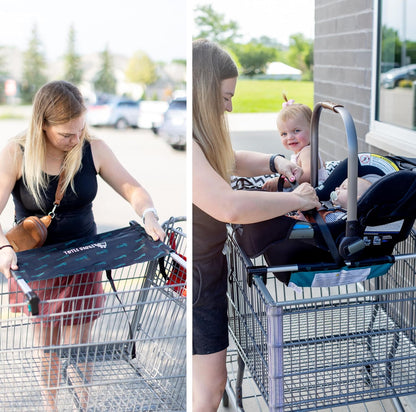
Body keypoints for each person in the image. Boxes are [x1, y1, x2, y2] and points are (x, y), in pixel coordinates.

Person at [0, 80, 165, 411]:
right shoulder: (16, 152)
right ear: (41, 125)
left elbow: (132, 188)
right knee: (47, 344)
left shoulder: (93, 148)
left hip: (84, 260)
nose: (75, 140)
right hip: (40, 265)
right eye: (65, 134)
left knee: (78, 345)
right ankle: (51, 406)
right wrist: (4, 247)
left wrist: (148, 213)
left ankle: (81, 406)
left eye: (80, 130)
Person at [192, 39, 321, 412]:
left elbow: (230, 160)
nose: (230, 105)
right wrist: (297, 199)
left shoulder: (204, 135)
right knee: (210, 386)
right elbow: (229, 206)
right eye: (226, 95)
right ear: (203, 88)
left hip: (209, 266)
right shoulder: (193, 137)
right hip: (202, 274)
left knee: (210, 381)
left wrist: (275, 161)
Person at [262, 95, 328, 191]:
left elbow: (307, 177)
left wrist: (280, 182)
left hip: (317, 194)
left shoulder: (307, 152)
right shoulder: (300, 152)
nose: (290, 137)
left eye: (296, 131)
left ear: (312, 130)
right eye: (284, 133)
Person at [292, 177, 373, 223]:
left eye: (343, 188)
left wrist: (305, 222)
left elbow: (324, 229)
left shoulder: (340, 217)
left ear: (357, 199)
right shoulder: (332, 207)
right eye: (339, 186)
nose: (336, 188)